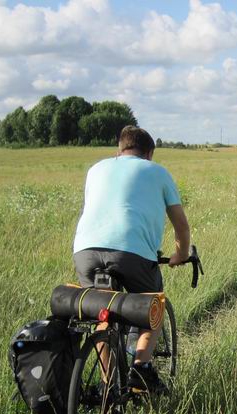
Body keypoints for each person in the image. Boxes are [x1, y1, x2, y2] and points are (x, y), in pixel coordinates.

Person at [72, 125, 191, 393]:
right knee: (153, 306)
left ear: (120, 149)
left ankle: (108, 385)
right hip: (132, 253)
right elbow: (180, 225)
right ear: (149, 153)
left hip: (85, 251)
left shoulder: (96, 169)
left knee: (102, 315)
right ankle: (141, 368)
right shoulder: (157, 171)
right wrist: (180, 255)